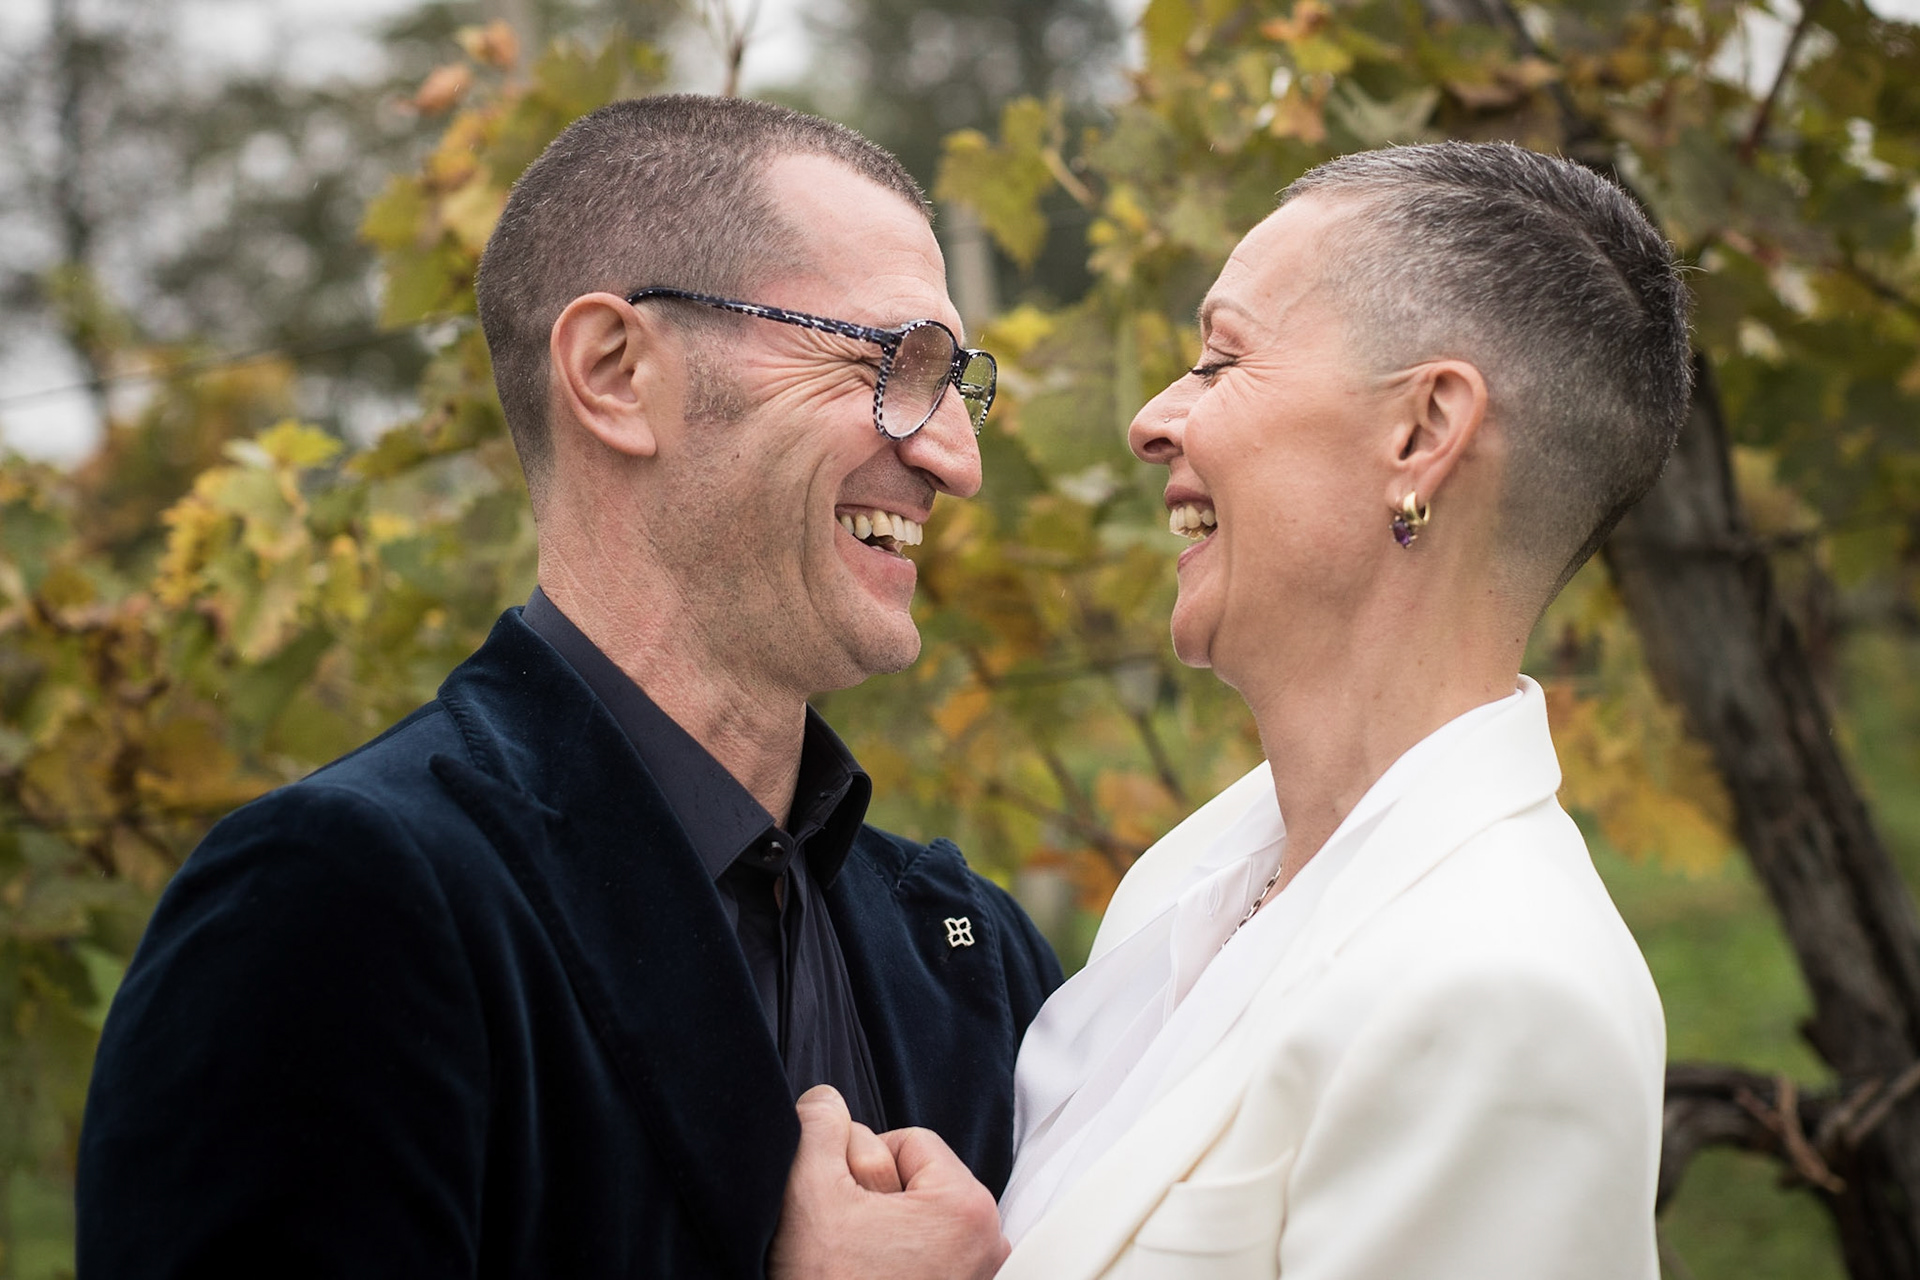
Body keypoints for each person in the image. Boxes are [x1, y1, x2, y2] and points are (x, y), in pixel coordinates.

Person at [76, 95, 1059, 1279]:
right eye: (890, 364)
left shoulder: (971, 953)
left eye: (957, 384)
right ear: (616, 372)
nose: (956, 457)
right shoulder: (335, 908)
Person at [781, 141, 1689, 1278]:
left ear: (1421, 433)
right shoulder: (1195, 879)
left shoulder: (1503, 998)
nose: (1153, 419)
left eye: (1222, 362)